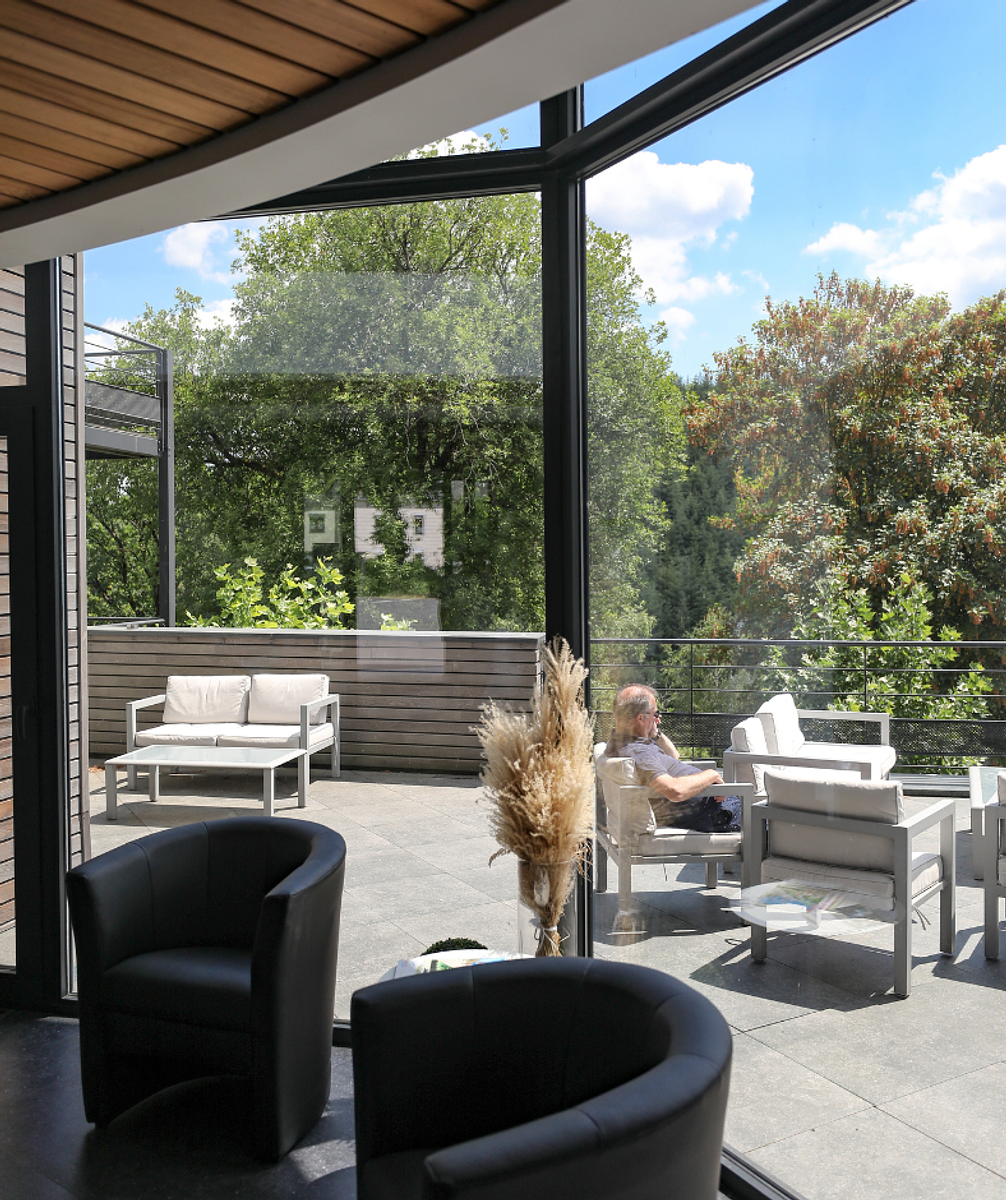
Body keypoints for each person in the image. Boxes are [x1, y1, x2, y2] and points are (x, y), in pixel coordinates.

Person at [605, 684, 741, 832]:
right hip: (713, 812)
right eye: (655, 714)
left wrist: (654, 732)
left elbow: (674, 756)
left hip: (711, 805)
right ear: (640, 718)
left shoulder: (629, 742)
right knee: (759, 819)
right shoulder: (639, 753)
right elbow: (675, 791)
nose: (658, 718)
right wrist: (711, 775)